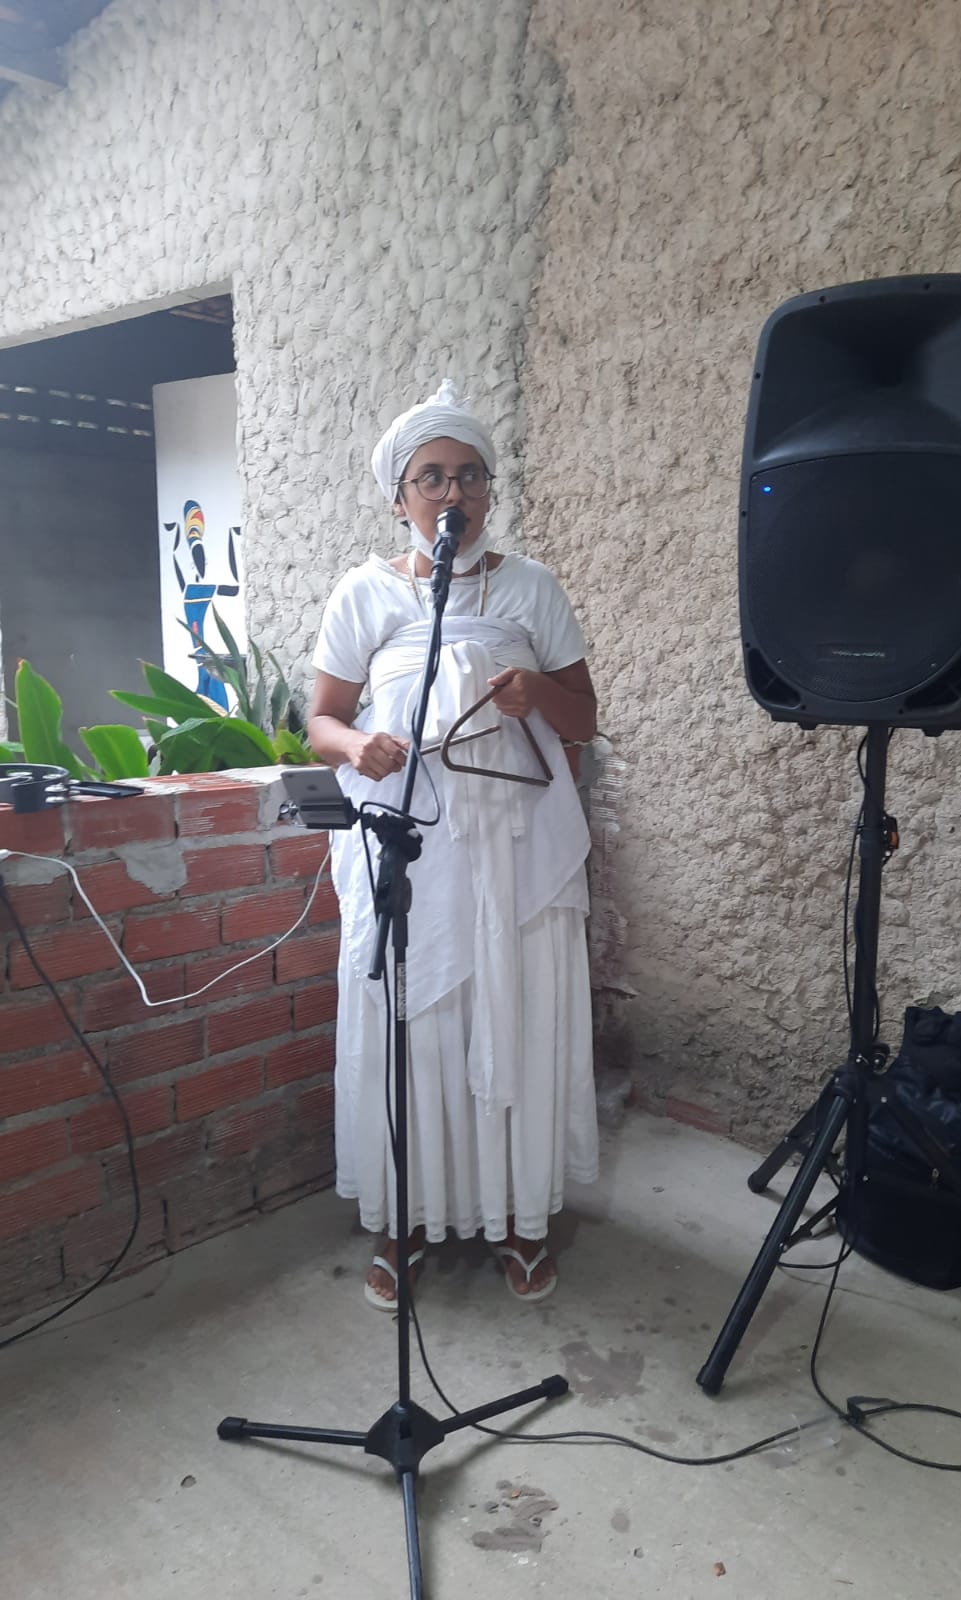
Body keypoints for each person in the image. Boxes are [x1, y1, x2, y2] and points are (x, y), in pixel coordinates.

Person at [308, 379, 599, 1306]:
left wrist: (535, 694)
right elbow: (321, 722)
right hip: (412, 856)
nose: (453, 494)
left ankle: (519, 1214)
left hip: (515, 856)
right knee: (414, 1024)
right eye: (431, 477)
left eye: (470, 476)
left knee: (516, 1015)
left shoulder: (532, 587)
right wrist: (359, 745)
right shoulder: (363, 593)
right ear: (399, 497)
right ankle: (405, 1221)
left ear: (488, 490)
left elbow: (583, 718)